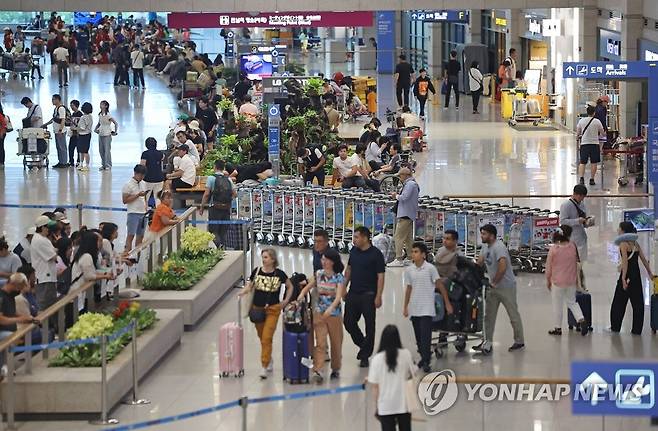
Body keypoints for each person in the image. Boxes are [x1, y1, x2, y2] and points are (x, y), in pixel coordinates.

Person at [238, 249, 294, 379]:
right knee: (261, 336)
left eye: (266, 257)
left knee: (266, 337)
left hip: (273, 310)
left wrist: (285, 301)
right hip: (257, 309)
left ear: (273, 260)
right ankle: (268, 357)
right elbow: (250, 285)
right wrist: (243, 292)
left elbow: (290, 286)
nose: (264, 259)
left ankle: (264, 365)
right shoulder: (256, 271)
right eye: (263, 257)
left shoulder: (280, 274)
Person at [473, 224, 525, 355]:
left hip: (506, 287)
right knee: (488, 316)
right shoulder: (485, 247)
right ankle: (487, 342)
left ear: (491, 235)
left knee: (513, 314)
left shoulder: (499, 247)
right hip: (493, 287)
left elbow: (502, 267)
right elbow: (480, 262)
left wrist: (494, 282)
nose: (482, 236)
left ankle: (519, 341)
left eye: (484, 234)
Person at [297, 248, 345, 382]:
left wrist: (331, 308)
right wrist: (301, 295)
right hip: (319, 313)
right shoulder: (319, 274)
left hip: (334, 314)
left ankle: (336, 368)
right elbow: (310, 286)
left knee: (336, 343)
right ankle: (318, 370)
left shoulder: (338, 277)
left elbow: (339, 296)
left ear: (333, 262)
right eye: (322, 259)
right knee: (321, 342)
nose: (323, 262)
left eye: (326, 259)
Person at [403, 242, 453, 373]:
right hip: (415, 309)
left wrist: (447, 303)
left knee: (426, 337)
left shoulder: (430, 269)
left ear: (423, 255)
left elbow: (440, 286)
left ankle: (425, 361)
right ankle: (424, 357)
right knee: (419, 337)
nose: (413, 254)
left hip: (427, 309)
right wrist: (405, 306)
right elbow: (408, 289)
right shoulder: (409, 270)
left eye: (416, 252)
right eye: (412, 251)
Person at [344, 226, 386, 368]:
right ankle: (363, 345)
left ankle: (365, 355)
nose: (353, 240)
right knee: (348, 322)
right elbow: (349, 269)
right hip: (353, 293)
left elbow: (381, 276)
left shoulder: (376, 254)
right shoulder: (354, 251)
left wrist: (379, 295)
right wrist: (343, 287)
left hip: (369, 295)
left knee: (370, 326)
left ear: (365, 238)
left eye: (356, 237)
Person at [367, 325, 415, 431]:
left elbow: (375, 387)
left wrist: (376, 406)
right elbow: (411, 375)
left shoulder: (376, 359)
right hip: (404, 403)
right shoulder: (406, 354)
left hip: (385, 405)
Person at [545, 224, 589, 336]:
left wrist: (548, 280)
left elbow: (548, 267)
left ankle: (558, 328)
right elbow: (577, 262)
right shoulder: (573, 246)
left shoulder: (554, 249)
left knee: (557, 305)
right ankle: (581, 320)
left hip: (557, 282)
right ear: (569, 235)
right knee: (572, 302)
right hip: (571, 281)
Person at [610, 222, 653, 335]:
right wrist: (650, 273)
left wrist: (623, 278)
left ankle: (615, 327)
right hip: (636, 275)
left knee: (618, 302)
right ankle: (637, 329)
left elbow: (625, 262)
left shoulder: (623, 244)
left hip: (627, 274)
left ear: (623, 230)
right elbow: (643, 259)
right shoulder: (635, 244)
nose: (618, 229)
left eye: (619, 228)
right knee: (638, 302)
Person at [70, 231, 115, 311]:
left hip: (80, 292)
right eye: (98, 241)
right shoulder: (87, 256)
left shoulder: (84, 254)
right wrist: (106, 276)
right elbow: (89, 276)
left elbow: (92, 271)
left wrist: (106, 273)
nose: (100, 243)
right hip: (78, 292)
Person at [199, 159, 236, 247]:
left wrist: (202, 206)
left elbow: (207, 194)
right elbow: (235, 194)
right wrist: (228, 201)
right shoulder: (229, 180)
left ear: (215, 167)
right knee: (223, 229)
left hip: (215, 207)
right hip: (226, 208)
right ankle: (222, 245)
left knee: (213, 229)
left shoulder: (211, 178)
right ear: (223, 168)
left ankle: (218, 245)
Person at [0, 273, 34, 367]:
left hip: (11, 329)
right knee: (11, 338)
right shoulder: (1, 297)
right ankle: (4, 367)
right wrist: (19, 319)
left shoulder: (10, 296)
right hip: (3, 331)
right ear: (14, 284)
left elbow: (11, 312)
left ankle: (5, 367)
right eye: (19, 288)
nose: (19, 291)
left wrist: (26, 318)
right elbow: (1, 319)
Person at [387, 167, 419, 267]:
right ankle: (410, 257)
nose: (400, 178)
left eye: (400, 176)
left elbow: (404, 197)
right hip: (408, 213)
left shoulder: (410, 184)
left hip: (406, 214)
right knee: (408, 238)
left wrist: (395, 196)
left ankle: (398, 258)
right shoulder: (412, 184)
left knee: (398, 236)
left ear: (405, 175)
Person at [31, 215, 58, 314]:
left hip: (46, 278)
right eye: (48, 227)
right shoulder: (40, 240)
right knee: (46, 307)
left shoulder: (42, 238)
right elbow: (54, 257)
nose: (50, 230)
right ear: (42, 227)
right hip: (45, 279)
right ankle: (45, 328)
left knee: (49, 306)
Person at [559, 185, 591, 261]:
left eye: (583, 197)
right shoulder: (566, 205)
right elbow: (563, 221)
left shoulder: (582, 204)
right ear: (575, 194)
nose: (581, 199)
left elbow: (584, 217)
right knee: (572, 261)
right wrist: (577, 221)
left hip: (582, 237)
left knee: (582, 261)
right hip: (572, 238)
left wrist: (587, 222)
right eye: (580, 197)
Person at [576, 105, 605, 186]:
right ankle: (592, 179)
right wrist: (603, 135)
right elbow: (602, 133)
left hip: (584, 144)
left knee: (582, 162)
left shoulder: (581, 121)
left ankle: (581, 178)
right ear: (594, 113)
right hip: (594, 144)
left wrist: (577, 138)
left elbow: (578, 132)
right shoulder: (597, 121)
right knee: (594, 162)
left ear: (587, 112)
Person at [122, 165, 148, 252]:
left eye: (143, 175)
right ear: (135, 173)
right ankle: (127, 253)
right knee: (131, 235)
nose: (142, 177)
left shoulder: (143, 183)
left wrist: (146, 206)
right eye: (140, 175)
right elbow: (125, 200)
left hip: (143, 213)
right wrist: (137, 195)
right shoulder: (128, 185)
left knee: (140, 236)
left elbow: (144, 198)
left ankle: (138, 255)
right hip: (133, 213)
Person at [41, 93, 68, 168]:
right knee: (59, 147)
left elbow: (63, 120)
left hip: (61, 132)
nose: (52, 101)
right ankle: (61, 161)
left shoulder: (61, 108)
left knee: (62, 147)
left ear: (57, 100)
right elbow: (54, 119)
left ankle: (64, 162)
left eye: (53, 99)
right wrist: (45, 124)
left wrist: (60, 130)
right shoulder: (56, 108)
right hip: (56, 131)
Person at [140, 137, 165, 206]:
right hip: (159, 178)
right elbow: (162, 159)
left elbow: (142, 166)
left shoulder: (145, 154)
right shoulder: (160, 153)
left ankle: (145, 212)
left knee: (146, 198)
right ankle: (158, 213)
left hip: (148, 179)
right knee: (158, 198)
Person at [94, 100, 118, 171]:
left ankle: (108, 165)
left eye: (102, 104)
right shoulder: (100, 114)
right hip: (101, 133)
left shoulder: (108, 115)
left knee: (107, 150)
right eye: (100, 104)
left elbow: (116, 123)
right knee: (101, 150)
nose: (100, 105)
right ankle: (103, 165)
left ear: (106, 106)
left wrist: (115, 132)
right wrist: (95, 129)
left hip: (107, 134)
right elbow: (99, 123)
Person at [72, 102, 93, 171]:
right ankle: (82, 164)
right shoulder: (90, 116)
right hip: (87, 135)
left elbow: (82, 128)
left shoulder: (84, 117)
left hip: (84, 135)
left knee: (84, 151)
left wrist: (74, 128)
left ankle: (85, 165)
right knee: (82, 150)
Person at [68, 99, 82, 167]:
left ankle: (78, 161)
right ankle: (71, 161)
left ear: (76, 106)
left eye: (72, 105)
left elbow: (79, 125)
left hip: (78, 134)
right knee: (71, 148)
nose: (71, 107)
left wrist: (72, 121)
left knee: (78, 148)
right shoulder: (73, 114)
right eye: (70, 105)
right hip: (73, 134)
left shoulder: (80, 114)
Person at [0, 102, 7, 167]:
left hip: (1, 133)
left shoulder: (0, 115)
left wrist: (1, 133)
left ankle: (1, 162)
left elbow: (3, 125)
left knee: (1, 147)